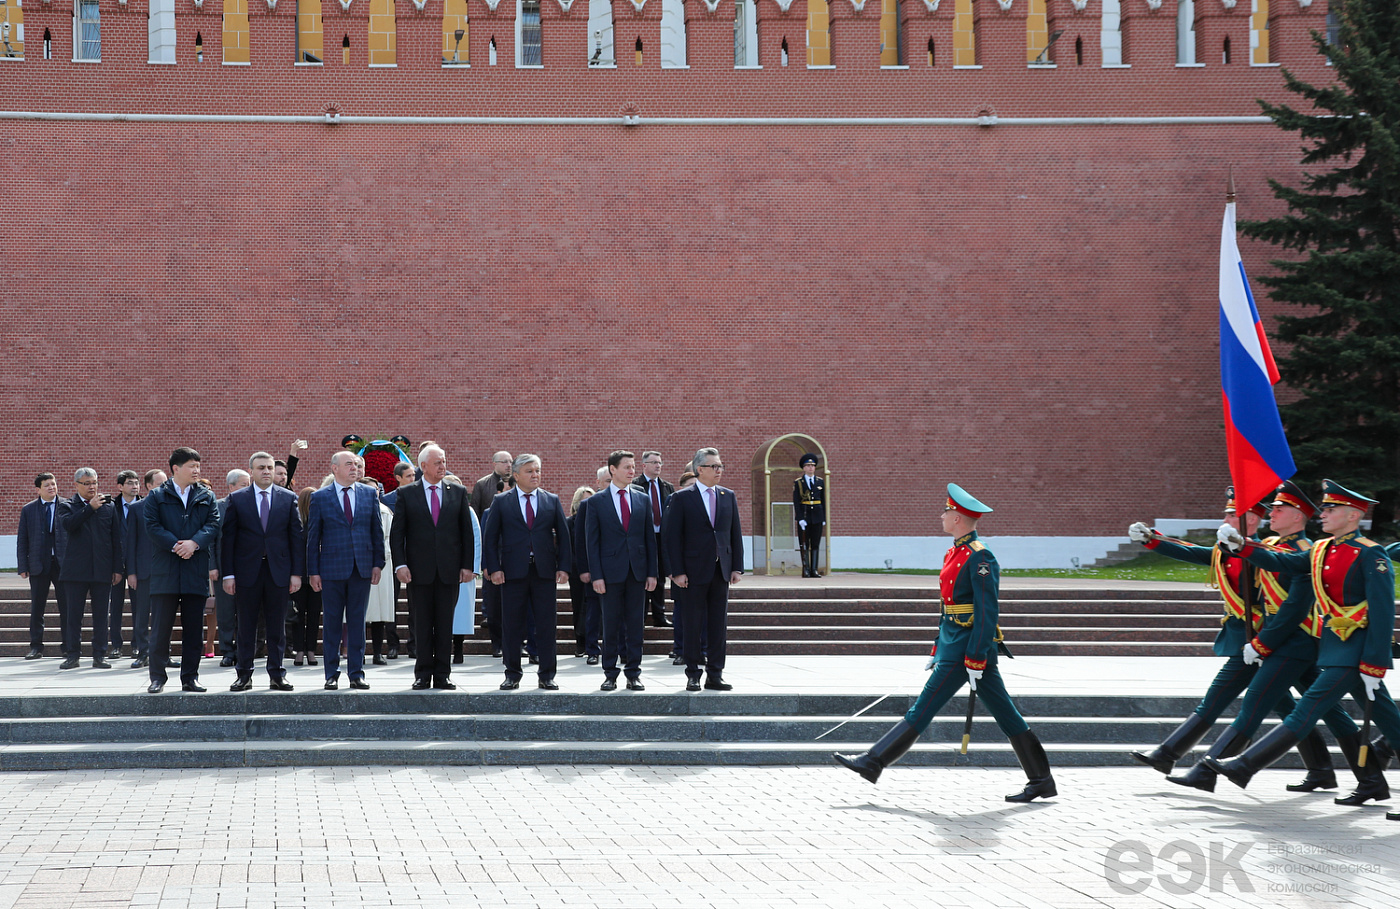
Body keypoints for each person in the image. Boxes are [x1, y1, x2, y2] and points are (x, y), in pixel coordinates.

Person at [835, 484, 1056, 802]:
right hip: (955, 644)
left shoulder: (981, 557)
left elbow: (986, 611)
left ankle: (873, 762)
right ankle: (1041, 781)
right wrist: (939, 645)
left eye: (947, 511)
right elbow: (947, 607)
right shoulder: (955, 552)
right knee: (1007, 715)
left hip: (968, 650)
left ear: (959, 518)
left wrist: (977, 655)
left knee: (922, 708)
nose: (942, 515)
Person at [1161, 481, 1378, 795]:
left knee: (1258, 703)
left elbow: (1293, 608)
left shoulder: (1309, 551)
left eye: (1280, 508)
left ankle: (1205, 771)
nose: (1271, 513)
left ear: (1298, 516)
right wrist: (1158, 543)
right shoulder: (1278, 545)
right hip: (1283, 642)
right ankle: (1352, 776)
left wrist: (1261, 644)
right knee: (1328, 712)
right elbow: (1220, 560)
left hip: (1298, 641)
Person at [1209, 480, 1400, 820]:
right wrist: (1244, 548)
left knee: (1307, 708)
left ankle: (1244, 765)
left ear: (1353, 515)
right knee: (1391, 720)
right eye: (1324, 508)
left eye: (1331, 509)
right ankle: (1372, 782)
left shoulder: (1371, 553)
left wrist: (1375, 663)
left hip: (1358, 653)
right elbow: (1284, 563)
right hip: (1336, 647)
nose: (1323, 513)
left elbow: (1384, 612)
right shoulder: (1323, 549)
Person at [1125, 486, 1336, 786]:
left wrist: (1263, 643)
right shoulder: (1233, 549)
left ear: (1251, 520)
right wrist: (1152, 540)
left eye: (1231, 513)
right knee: (1283, 705)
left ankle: (1185, 761)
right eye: (1226, 512)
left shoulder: (1265, 551)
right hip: (1260, 640)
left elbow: (1288, 600)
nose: (1224, 517)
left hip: (1272, 639)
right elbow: (1195, 552)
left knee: (1250, 701)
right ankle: (1322, 769)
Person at [390, 445, 477, 690]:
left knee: (445, 623)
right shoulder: (407, 494)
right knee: (422, 623)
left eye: (444, 461)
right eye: (437, 462)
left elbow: (466, 533)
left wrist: (467, 566)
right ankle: (422, 673)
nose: (442, 466)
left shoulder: (457, 492)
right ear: (423, 466)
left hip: (449, 570)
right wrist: (401, 564)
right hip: (419, 571)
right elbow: (398, 534)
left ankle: (442, 674)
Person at [482, 454, 571, 690]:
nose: (535, 475)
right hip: (512, 572)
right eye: (530, 471)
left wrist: (563, 567)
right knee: (512, 625)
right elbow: (490, 539)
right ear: (517, 475)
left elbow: (563, 537)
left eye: (538, 470)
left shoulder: (551, 500)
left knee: (546, 625)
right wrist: (494, 568)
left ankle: (547, 674)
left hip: (543, 573)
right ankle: (512, 673)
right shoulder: (501, 502)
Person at [219, 451, 304, 692]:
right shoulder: (238, 499)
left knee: (277, 626)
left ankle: (277, 674)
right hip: (247, 572)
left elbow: (296, 538)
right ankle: (243, 674)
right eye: (261, 468)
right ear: (252, 472)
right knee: (246, 626)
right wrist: (229, 574)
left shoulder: (288, 498)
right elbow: (228, 540)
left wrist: (297, 573)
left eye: (269, 467)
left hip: (278, 572)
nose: (266, 471)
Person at [662, 447, 743, 691]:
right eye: (713, 466)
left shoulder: (727, 495)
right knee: (693, 624)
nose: (719, 470)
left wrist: (736, 566)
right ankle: (693, 673)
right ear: (699, 470)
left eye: (720, 466)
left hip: (720, 571)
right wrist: (676, 571)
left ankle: (715, 673)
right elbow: (670, 538)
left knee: (718, 625)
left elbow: (734, 534)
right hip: (691, 572)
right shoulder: (682, 498)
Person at [307, 450, 385, 691]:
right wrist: (313, 571)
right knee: (331, 623)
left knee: (357, 623)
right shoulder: (320, 497)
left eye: (356, 464)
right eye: (348, 464)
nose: (354, 468)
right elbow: (313, 537)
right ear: (334, 468)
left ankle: (356, 673)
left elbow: (376, 532)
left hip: (361, 568)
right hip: (330, 570)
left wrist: (377, 564)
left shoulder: (369, 493)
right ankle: (331, 673)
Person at [144, 448, 221, 693]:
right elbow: (152, 526)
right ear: (175, 469)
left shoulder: (206, 496)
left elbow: (213, 523)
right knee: (160, 630)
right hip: (165, 571)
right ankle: (157, 677)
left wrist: (194, 543)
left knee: (193, 630)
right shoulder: (157, 496)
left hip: (194, 570)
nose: (196, 470)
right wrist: (176, 545)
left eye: (198, 465)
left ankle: (190, 677)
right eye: (191, 466)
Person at [587, 450, 658, 691]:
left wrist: (652, 572)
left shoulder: (642, 498)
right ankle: (610, 673)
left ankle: (633, 673)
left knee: (636, 625)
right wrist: (596, 575)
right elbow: (592, 542)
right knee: (611, 624)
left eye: (633, 467)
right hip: (609, 574)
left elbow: (650, 538)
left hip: (637, 573)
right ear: (612, 470)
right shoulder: (596, 502)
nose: (632, 471)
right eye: (626, 467)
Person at [56, 467, 123, 669]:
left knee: (102, 615)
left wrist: (117, 568)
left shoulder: (108, 507)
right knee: (74, 615)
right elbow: (69, 525)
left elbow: (115, 540)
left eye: (94, 482)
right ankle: (73, 654)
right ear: (76, 485)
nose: (92, 487)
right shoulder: (67, 505)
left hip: (102, 569)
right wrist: (89, 508)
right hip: (75, 571)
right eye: (87, 483)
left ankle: (99, 655)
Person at [16, 472, 63, 660]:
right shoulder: (29, 510)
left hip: (62, 565)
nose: (52, 487)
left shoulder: (66, 506)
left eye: (53, 483)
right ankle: (36, 647)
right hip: (38, 565)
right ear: (38, 489)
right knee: (37, 607)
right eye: (47, 485)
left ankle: (68, 646)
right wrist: (23, 565)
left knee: (67, 607)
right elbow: (22, 540)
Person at [125, 468, 166, 668]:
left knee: (164, 615)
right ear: (148, 486)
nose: (164, 487)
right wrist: (131, 572)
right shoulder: (136, 509)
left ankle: (163, 655)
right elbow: (130, 542)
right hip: (143, 570)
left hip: (166, 570)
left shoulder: (171, 506)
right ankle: (143, 652)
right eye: (159, 483)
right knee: (142, 614)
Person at [214, 468, 252, 667]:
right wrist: (212, 566)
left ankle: (244, 650)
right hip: (223, 568)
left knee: (246, 612)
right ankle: (228, 651)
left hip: (248, 568)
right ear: (231, 487)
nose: (249, 488)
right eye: (244, 484)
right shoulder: (218, 507)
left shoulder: (252, 504)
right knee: (226, 612)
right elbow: (212, 539)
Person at [632, 450, 674, 629]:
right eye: (654, 462)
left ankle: (659, 614)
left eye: (660, 462)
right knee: (643, 576)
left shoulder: (667, 487)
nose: (658, 465)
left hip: (661, 537)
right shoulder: (635, 485)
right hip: (641, 538)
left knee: (660, 577)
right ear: (644, 466)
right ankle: (640, 616)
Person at [105, 469, 142, 659]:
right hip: (117, 563)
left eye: (136, 483)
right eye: (130, 483)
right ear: (120, 486)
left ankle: (137, 644)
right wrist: (113, 566)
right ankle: (116, 645)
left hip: (139, 563)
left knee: (140, 605)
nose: (134, 486)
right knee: (116, 605)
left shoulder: (145, 505)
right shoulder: (111, 506)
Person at [363, 477, 398, 666]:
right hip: (360, 563)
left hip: (383, 563)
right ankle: (358, 652)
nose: (374, 493)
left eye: (376, 489)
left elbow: (391, 538)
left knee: (380, 612)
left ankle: (377, 652)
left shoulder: (386, 512)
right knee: (359, 611)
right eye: (369, 489)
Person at [288, 487, 322, 667]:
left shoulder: (320, 522)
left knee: (314, 614)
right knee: (298, 614)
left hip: (317, 574)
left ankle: (311, 650)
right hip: (299, 575)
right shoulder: (297, 523)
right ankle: (299, 650)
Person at [566, 485, 600, 661]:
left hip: (597, 569)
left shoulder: (599, 518)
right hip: (577, 571)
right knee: (580, 607)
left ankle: (592, 642)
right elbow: (570, 546)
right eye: (583, 500)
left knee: (594, 608)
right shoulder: (570, 522)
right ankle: (581, 642)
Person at [793, 453, 826, 578]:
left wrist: (823, 518)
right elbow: (796, 502)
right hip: (805, 515)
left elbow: (823, 501)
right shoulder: (799, 483)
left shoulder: (820, 482)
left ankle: (814, 569)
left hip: (817, 515)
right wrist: (800, 518)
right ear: (804, 468)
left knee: (816, 543)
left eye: (813, 465)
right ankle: (806, 569)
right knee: (805, 543)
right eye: (808, 465)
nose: (811, 468)